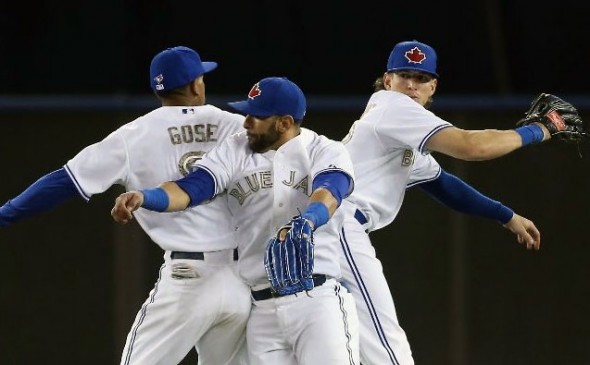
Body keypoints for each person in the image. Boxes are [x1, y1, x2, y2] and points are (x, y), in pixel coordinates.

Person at [0, 46, 251, 365]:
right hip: (241, 281)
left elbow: (63, 182)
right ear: (194, 85)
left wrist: (4, 215)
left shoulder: (135, 135)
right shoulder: (236, 126)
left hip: (188, 281)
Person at [111, 76, 361, 365]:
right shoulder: (236, 149)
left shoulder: (325, 150)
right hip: (263, 310)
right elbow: (193, 187)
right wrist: (145, 197)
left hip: (318, 301)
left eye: (257, 116)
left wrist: (309, 219)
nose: (246, 122)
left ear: (284, 122)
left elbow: (331, 189)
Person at [339, 40, 546, 365]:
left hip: (323, 229)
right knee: (388, 348)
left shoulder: (394, 127)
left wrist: (506, 215)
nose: (411, 84)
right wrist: (539, 131)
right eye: (403, 74)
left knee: (338, 344)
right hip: (339, 226)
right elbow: (471, 147)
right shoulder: (395, 107)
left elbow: (443, 185)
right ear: (387, 80)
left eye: (420, 78)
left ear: (432, 86)